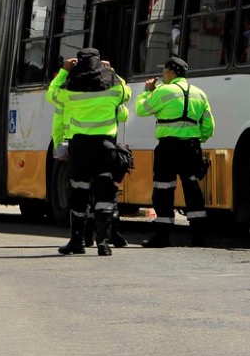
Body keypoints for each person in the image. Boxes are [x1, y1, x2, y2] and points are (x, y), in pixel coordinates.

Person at [46, 48, 131, 256]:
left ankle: (77, 241)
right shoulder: (114, 89)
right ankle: (103, 243)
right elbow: (127, 92)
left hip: (81, 147)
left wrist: (65, 71)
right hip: (106, 146)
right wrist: (110, 70)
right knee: (104, 192)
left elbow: (52, 95)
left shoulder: (71, 91)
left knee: (79, 192)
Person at [135, 56, 215, 247]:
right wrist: (197, 139)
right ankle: (198, 236)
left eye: (164, 72)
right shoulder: (199, 94)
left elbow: (141, 110)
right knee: (193, 189)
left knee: (163, 189)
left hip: (168, 148)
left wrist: (147, 91)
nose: (162, 76)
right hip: (191, 148)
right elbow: (209, 126)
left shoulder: (164, 91)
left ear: (172, 72)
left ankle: (162, 236)